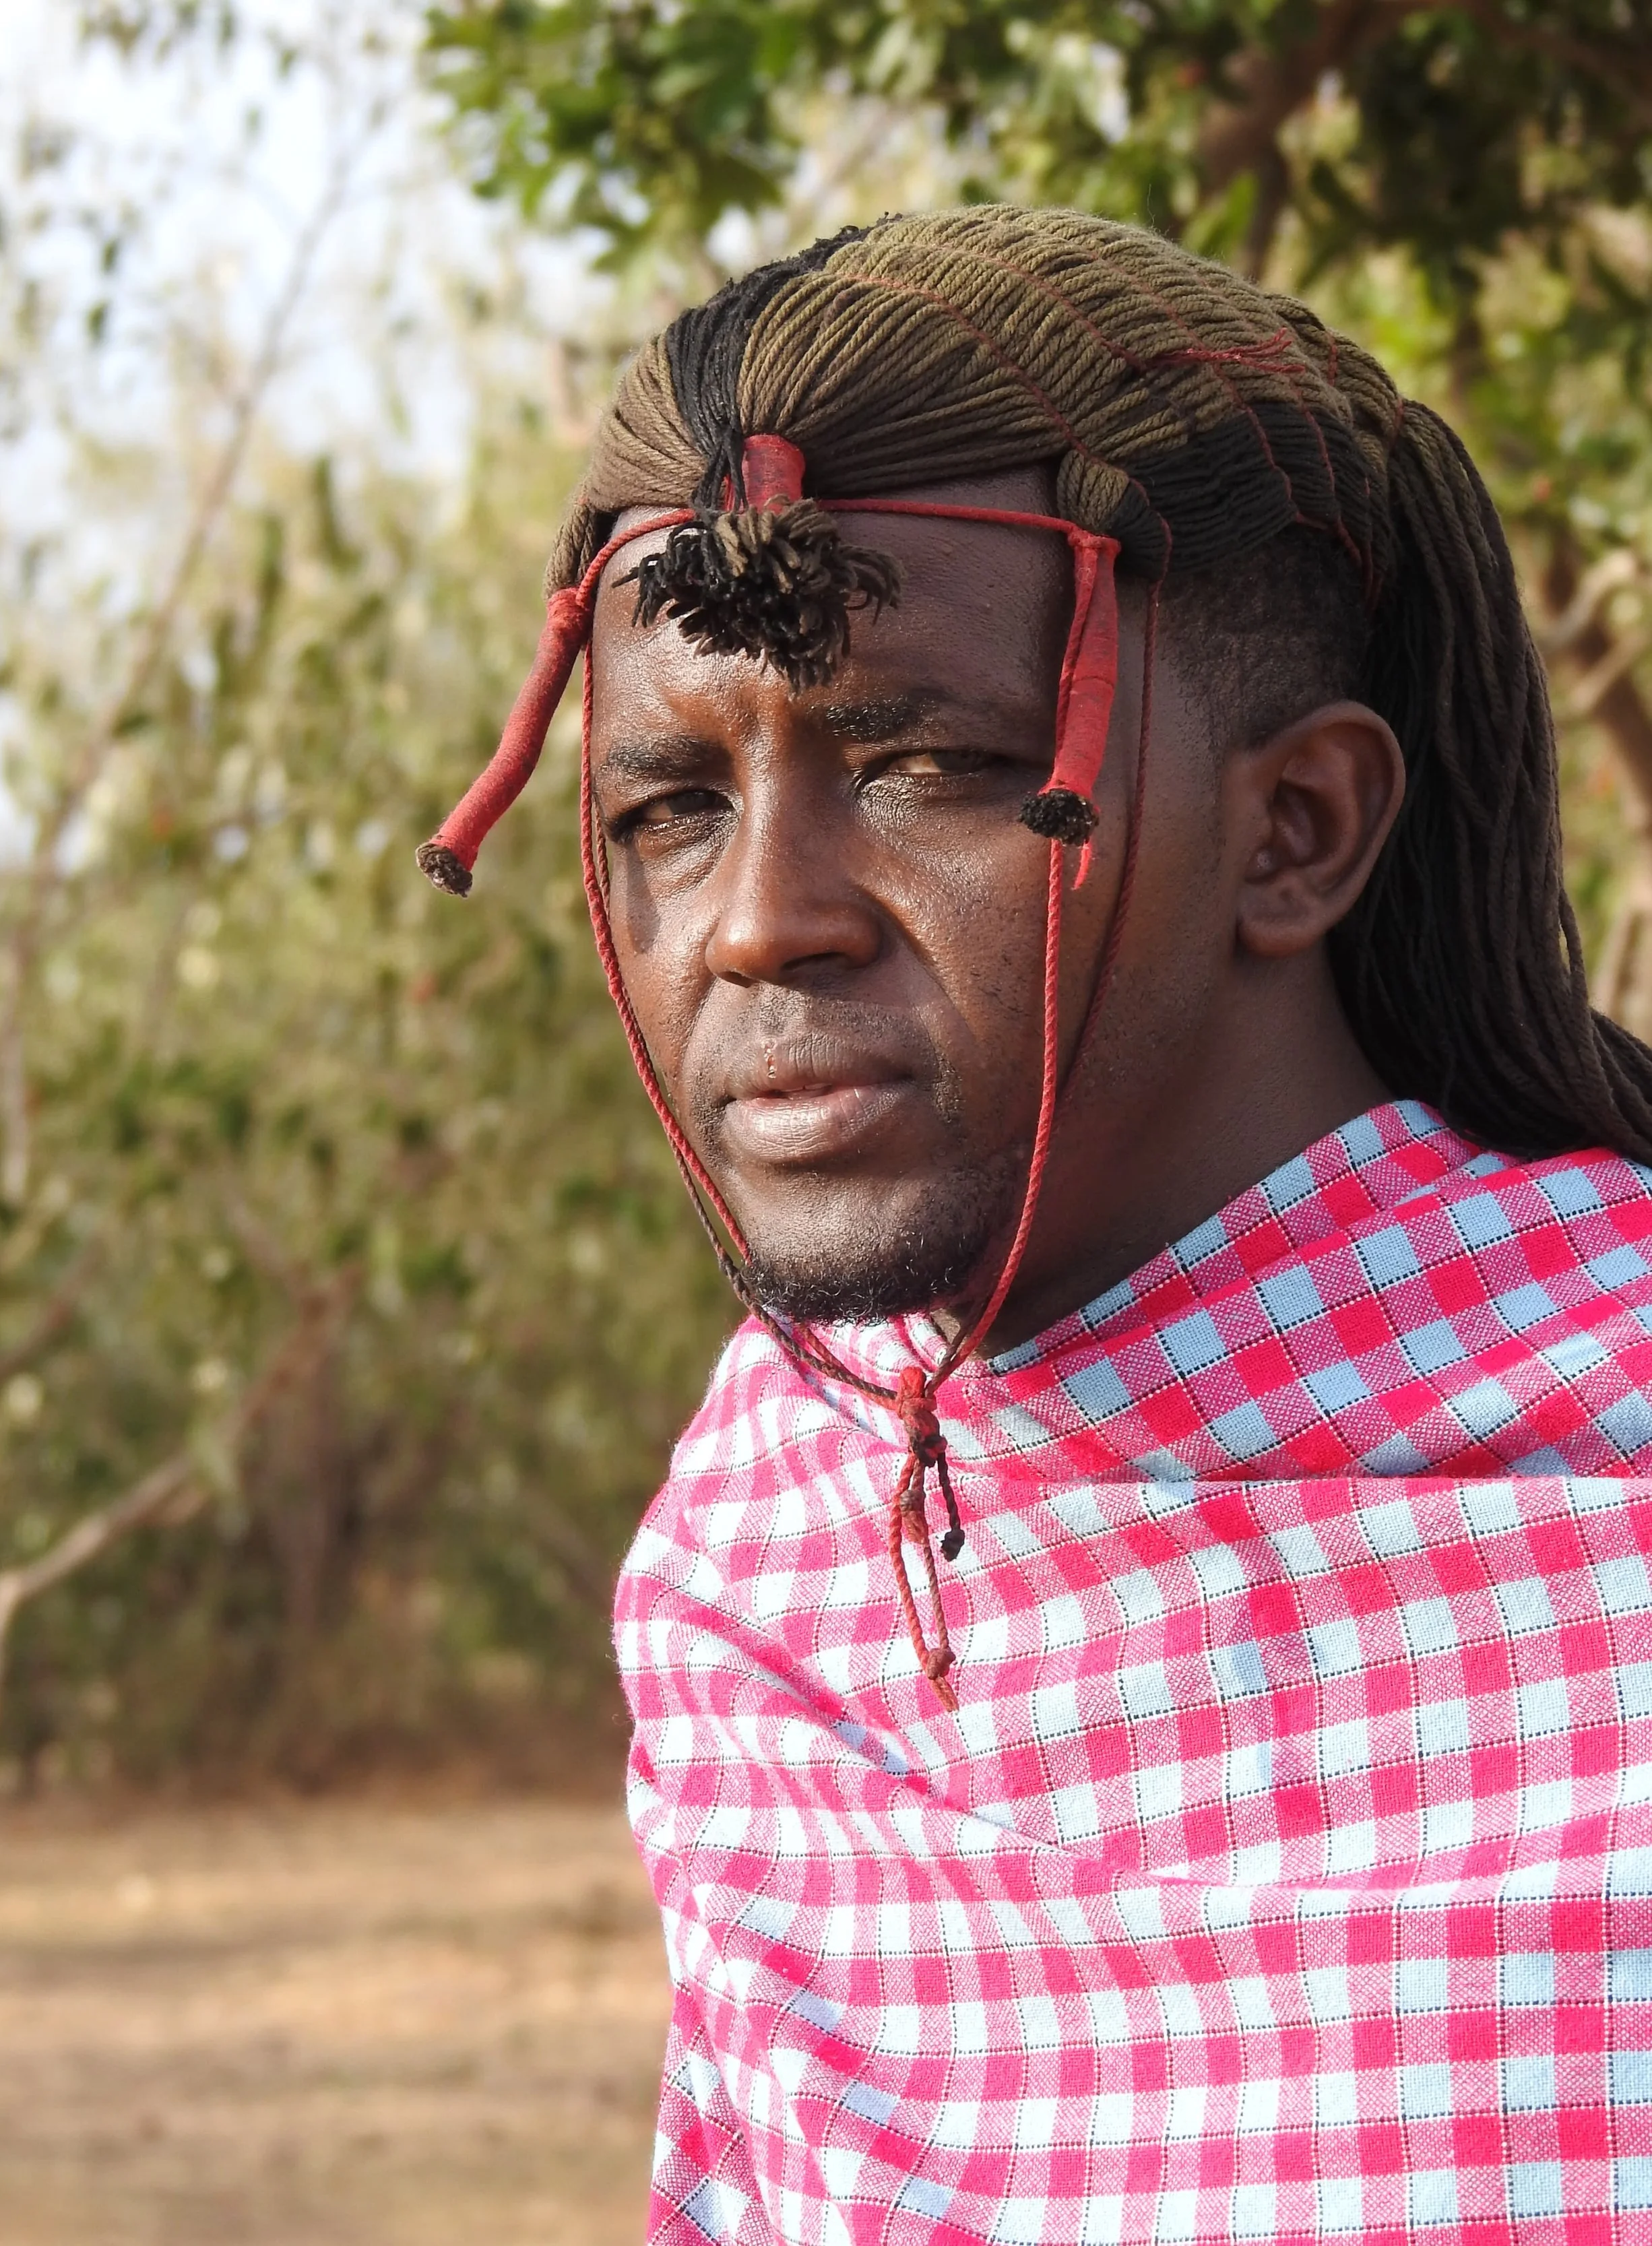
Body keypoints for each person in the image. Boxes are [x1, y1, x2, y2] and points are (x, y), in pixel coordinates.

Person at [422, 207, 1652, 2244]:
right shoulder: (761, 1536)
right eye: (669, 808)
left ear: (1295, 830)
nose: (753, 919)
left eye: (920, 763)